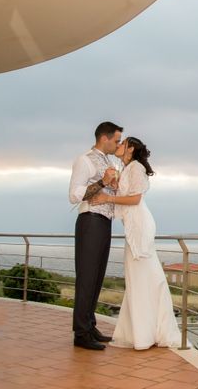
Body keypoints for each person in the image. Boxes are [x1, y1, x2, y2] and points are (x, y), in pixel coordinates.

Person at [91, 136, 181, 350]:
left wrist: (107, 198)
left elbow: (135, 199)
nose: (119, 146)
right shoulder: (127, 168)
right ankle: (145, 331)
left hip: (140, 225)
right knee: (139, 278)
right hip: (133, 226)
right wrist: (113, 185)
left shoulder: (136, 168)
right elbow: (126, 195)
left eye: (122, 144)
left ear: (130, 149)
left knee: (143, 276)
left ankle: (148, 333)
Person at [68, 121, 123, 350]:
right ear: (104, 138)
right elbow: (74, 195)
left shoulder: (108, 161)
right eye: (117, 140)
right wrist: (102, 181)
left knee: (97, 277)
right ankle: (81, 334)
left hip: (104, 223)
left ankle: (90, 326)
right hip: (90, 221)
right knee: (87, 277)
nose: (118, 144)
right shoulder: (84, 160)